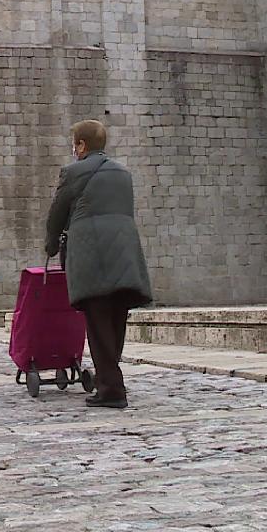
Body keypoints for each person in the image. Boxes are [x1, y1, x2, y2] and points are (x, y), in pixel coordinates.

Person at [44, 120, 152, 409]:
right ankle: (110, 376)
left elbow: (57, 213)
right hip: (125, 254)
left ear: (81, 145)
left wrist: (51, 244)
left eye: (74, 143)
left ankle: (111, 389)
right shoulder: (124, 173)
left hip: (92, 255)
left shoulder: (72, 172)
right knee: (116, 319)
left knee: (98, 319)